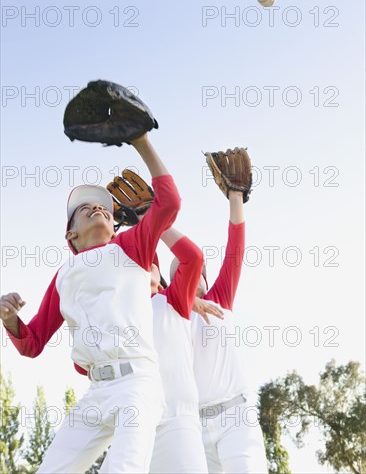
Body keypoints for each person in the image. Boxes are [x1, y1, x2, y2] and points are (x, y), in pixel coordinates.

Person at [0, 133, 181, 474]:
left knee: (122, 469)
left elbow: (169, 204)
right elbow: (33, 343)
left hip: (136, 384)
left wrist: (140, 140)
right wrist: (9, 320)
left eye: (104, 209)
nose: (98, 208)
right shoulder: (64, 274)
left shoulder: (130, 248)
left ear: (115, 227)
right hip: (97, 392)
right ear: (71, 235)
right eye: (85, 209)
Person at [190, 189, 268, 474]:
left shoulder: (218, 298)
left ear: (205, 279)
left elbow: (235, 248)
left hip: (235, 417)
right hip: (193, 428)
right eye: (181, 270)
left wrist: (236, 197)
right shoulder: (166, 314)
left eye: (196, 270)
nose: (189, 273)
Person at [149, 226, 221, 474]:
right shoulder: (128, 309)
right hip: (139, 420)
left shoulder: (171, 301)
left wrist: (150, 220)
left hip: (179, 419)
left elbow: (193, 258)